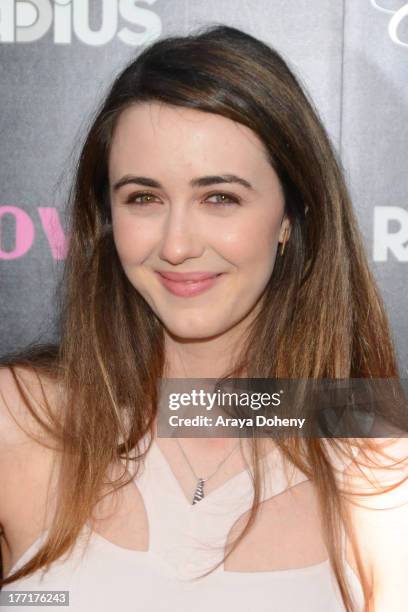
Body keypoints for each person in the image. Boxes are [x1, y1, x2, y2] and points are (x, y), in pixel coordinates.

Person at [0, 24, 407, 612]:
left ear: (291, 214)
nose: (177, 244)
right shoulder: (19, 415)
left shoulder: (371, 452)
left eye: (220, 197)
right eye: (144, 197)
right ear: (108, 215)